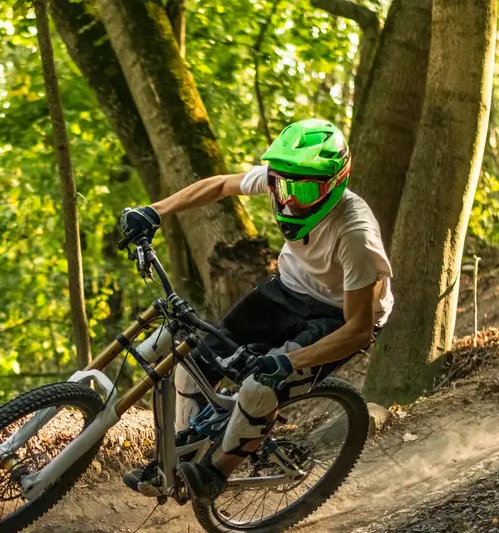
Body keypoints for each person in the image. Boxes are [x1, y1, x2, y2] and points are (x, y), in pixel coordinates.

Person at [116, 117, 395, 500]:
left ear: (334, 183)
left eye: (303, 189)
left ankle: (217, 472)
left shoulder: (356, 235)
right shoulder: (285, 178)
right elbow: (219, 185)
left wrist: (286, 364)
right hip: (288, 290)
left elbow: (359, 329)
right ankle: (180, 454)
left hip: (337, 315)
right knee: (192, 366)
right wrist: (155, 211)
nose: (289, 198)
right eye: (282, 185)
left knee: (259, 388)